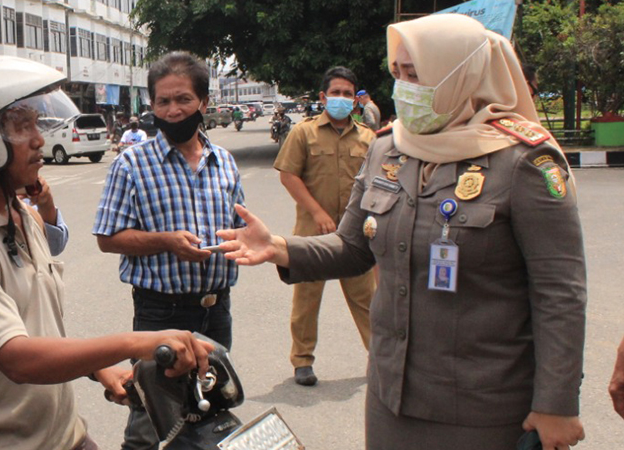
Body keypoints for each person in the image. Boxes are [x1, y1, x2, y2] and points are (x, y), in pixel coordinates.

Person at [214, 14, 586, 450]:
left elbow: (560, 292)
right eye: (398, 74)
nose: (404, 88)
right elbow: (353, 247)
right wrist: (276, 246)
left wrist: (557, 404)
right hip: (392, 397)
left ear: (461, 74)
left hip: (485, 407)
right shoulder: (389, 148)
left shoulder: (523, 162)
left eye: (416, 74)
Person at [0, 55, 213, 450]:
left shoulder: (23, 216)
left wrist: (100, 368)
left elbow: (36, 325)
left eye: (37, 124)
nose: (39, 139)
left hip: (59, 435)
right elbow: (18, 358)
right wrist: (134, 342)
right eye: (23, 127)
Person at [93, 51, 246, 450]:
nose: (173, 110)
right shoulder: (131, 164)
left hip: (217, 311)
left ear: (204, 104)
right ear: (152, 106)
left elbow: (243, 230)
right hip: (160, 312)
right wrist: (166, 241)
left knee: (209, 410)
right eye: (163, 101)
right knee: (149, 418)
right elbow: (107, 238)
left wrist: (239, 241)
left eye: (183, 99)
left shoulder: (224, 162)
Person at [273, 66, 377, 387]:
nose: (341, 99)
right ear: (323, 97)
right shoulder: (304, 133)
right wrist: (317, 212)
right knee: (306, 300)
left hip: (354, 235)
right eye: (336, 93)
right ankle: (302, 361)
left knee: (367, 301)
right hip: (312, 233)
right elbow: (289, 175)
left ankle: (381, 359)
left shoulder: (369, 138)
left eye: (347, 94)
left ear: (355, 101)